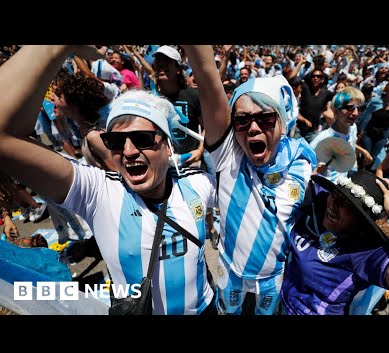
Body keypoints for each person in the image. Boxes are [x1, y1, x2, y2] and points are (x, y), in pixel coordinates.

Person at [0, 45, 217, 315]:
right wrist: (54, 49)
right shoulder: (98, 193)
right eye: (115, 141)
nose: (127, 152)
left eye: (142, 139)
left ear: (168, 146)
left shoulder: (196, 183)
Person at [184, 45, 316, 315]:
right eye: (242, 120)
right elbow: (207, 77)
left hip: (273, 275)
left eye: (266, 118)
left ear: (282, 122)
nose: (253, 127)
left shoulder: (303, 163)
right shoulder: (229, 154)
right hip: (230, 269)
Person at [280, 170, 389, 315]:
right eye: (335, 194)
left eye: (347, 204)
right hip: (278, 303)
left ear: (362, 220)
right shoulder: (317, 206)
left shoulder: (365, 254)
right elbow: (288, 184)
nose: (334, 204)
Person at [309, 87, 373, 182]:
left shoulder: (352, 128)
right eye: (350, 108)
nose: (356, 113)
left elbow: (348, 142)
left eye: (360, 108)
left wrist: (363, 151)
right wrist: (313, 171)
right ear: (336, 111)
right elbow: (303, 165)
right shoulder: (324, 138)